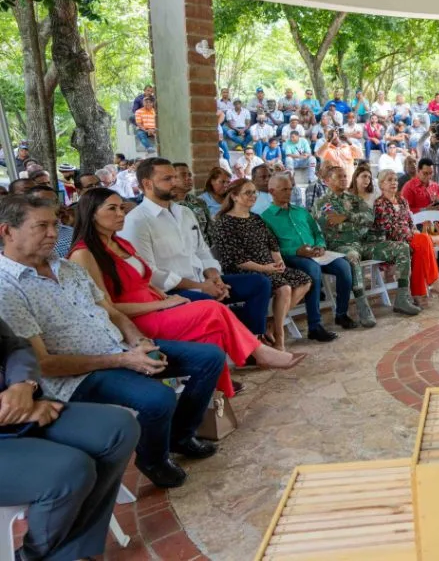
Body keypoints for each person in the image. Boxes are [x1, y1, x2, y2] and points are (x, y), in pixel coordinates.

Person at [0, 194, 226, 489]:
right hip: (79, 376)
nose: (53, 233)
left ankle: (180, 436)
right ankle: (153, 460)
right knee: (158, 398)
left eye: (54, 224)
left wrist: (139, 342)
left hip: (120, 349)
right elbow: (44, 364)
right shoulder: (7, 287)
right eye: (41, 226)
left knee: (209, 358)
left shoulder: (67, 268)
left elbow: (112, 312)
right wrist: (124, 360)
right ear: (7, 231)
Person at [68, 188, 304, 397]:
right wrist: (163, 304)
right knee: (212, 309)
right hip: (135, 321)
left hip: (157, 305)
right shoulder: (84, 254)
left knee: (212, 333)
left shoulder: (120, 243)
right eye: (112, 209)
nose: (121, 213)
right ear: (92, 213)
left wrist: (164, 295)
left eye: (121, 207)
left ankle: (218, 395)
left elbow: (144, 280)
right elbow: (106, 309)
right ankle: (259, 351)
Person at [0, 318, 140, 561]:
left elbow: (15, 346)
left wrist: (22, 385)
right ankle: (40, 556)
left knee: (118, 428)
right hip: (14, 419)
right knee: (69, 471)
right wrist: (14, 410)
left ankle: (64, 552)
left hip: (22, 410)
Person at [121, 158, 274, 342]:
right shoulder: (137, 221)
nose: (175, 182)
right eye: (167, 179)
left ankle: (253, 339)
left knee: (260, 283)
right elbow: (151, 274)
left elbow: (202, 251)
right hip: (172, 292)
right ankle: (245, 344)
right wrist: (201, 287)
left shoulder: (185, 212)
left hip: (203, 280)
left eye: (174, 177)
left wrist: (215, 279)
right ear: (147, 184)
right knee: (210, 305)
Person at [209, 179, 315, 349]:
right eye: (248, 192)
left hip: (269, 267)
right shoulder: (224, 223)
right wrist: (265, 268)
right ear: (234, 196)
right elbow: (235, 259)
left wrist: (279, 262)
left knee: (305, 280)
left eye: (254, 192)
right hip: (245, 271)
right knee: (284, 288)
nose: (253, 196)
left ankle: (271, 324)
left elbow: (272, 244)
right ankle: (280, 337)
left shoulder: (256, 218)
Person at [315, 166, 420, 319]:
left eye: (345, 176)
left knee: (402, 247)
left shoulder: (353, 199)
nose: (344, 179)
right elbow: (332, 224)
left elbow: (370, 218)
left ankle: (402, 299)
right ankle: (362, 306)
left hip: (364, 243)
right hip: (341, 246)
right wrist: (355, 221)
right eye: (339, 177)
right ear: (328, 180)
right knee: (353, 256)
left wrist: (347, 217)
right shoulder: (322, 202)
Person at [262, 173, 353, 337]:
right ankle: (314, 325)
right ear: (272, 191)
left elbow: (317, 232)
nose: (289, 193)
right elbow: (271, 248)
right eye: (284, 190)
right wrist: (296, 251)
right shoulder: (266, 217)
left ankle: (341, 314)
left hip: (314, 253)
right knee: (313, 270)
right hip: (291, 257)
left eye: (290, 189)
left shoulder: (300, 211)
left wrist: (321, 246)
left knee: (344, 266)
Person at [373, 169, 439, 304]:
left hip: (409, 238)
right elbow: (387, 228)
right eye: (389, 180)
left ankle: (419, 294)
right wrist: (411, 234)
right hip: (393, 242)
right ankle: (431, 282)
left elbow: (410, 222)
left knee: (421, 244)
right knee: (423, 241)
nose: (394, 183)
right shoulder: (379, 204)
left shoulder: (402, 201)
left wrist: (414, 231)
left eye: (395, 180)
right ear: (381, 184)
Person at [172, 162, 213, 247]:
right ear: (172, 179)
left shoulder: (199, 202)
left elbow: (210, 230)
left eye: (189, 175)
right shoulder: (166, 205)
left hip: (204, 251)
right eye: (183, 175)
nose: (188, 178)